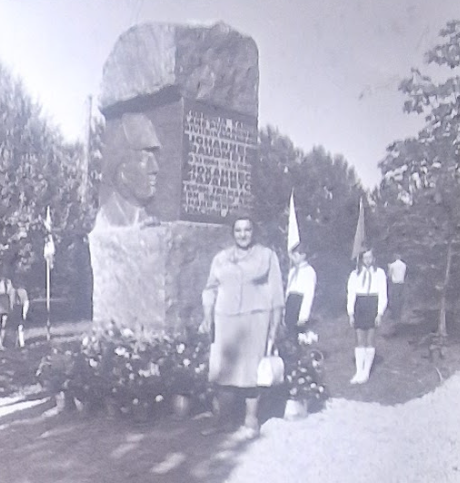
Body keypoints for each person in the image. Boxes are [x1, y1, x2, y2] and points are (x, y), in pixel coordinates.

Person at [200, 215, 284, 439]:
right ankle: (224, 419)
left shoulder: (266, 256)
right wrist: (207, 317)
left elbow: (276, 293)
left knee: (251, 369)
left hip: (255, 319)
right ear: (232, 233)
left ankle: (251, 419)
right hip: (225, 319)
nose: (243, 234)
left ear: (253, 231)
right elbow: (210, 288)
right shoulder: (221, 259)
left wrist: (274, 326)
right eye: (238, 230)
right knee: (223, 369)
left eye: (247, 229)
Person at [347, 249, 387, 384]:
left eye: (370, 257)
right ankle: (358, 371)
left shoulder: (379, 273)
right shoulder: (355, 274)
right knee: (359, 340)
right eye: (365, 258)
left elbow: (383, 294)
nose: (368, 260)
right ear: (361, 259)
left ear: (374, 258)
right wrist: (351, 313)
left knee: (370, 339)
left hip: (372, 304)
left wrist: (379, 313)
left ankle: (366, 371)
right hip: (360, 305)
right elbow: (351, 294)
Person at [284, 241, 317, 340]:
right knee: (288, 334)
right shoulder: (292, 271)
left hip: (299, 303)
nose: (293, 258)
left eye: (296, 255)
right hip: (290, 302)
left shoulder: (309, 271)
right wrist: (285, 308)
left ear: (303, 255)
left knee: (297, 335)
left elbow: (309, 295)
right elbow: (288, 290)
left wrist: (303, 316)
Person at [387, 253, 407, 323]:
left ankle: (395, 315)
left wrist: (389, 268)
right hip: (402, 283)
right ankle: (399, 314)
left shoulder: (392, 265)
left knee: (395, 299)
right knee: (400, 299)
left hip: (395, 283)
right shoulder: (404, 265)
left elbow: (389, 275)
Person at [0, 274, 15, 349]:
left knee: (4, 325)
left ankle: (1, 343)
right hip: (3, 305)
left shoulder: (8, 282)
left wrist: (11, 305)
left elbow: (11, 294)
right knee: (2, 326)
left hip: (5, 307)